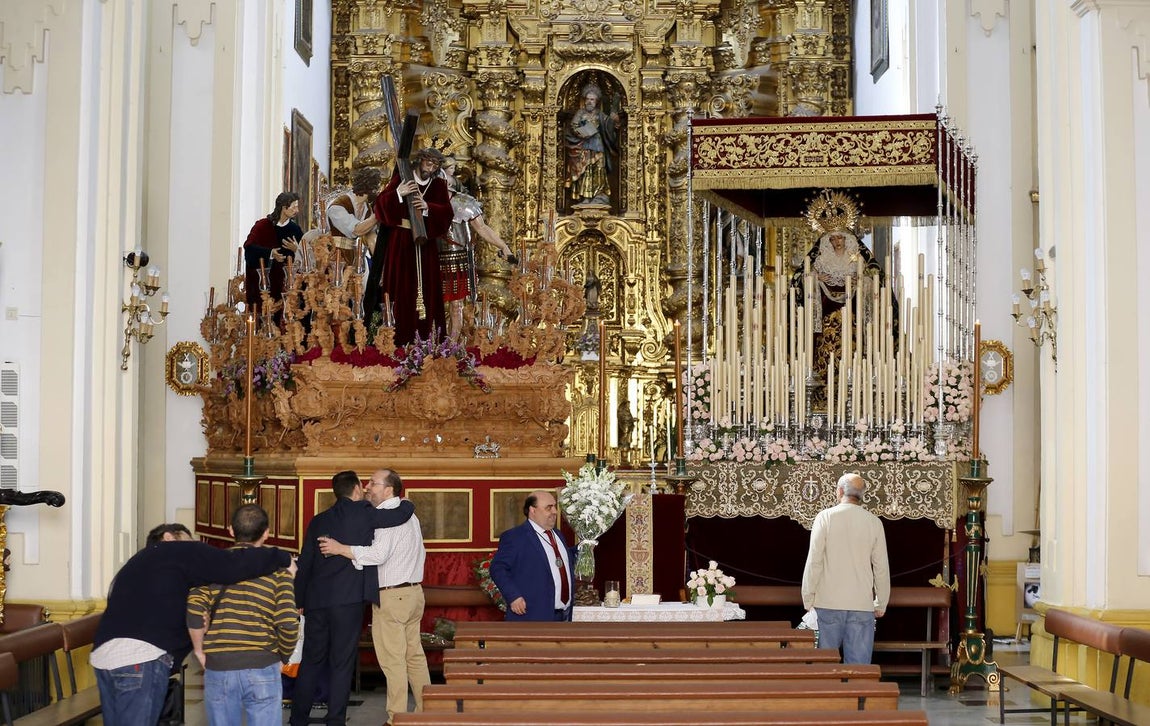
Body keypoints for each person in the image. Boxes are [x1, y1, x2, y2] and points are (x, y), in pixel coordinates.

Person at [91, 522, 292, 725]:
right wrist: (283, 558)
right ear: (169, 537)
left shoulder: (140, 562)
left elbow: (160, 608)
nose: (195, 546)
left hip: (104, 657)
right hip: (140, 658)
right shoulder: (175, 551)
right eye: (190, 539)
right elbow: (230, 565)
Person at [288, 470, 417, 726]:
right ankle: (335, 720)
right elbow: (399, 515)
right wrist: (408, 501)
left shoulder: (318, 520)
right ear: (357, 488)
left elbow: (305, 564)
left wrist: (299, 601)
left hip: (317, 602)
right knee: (341, 662)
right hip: (347, 602)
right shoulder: (364, 512)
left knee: (311, 661)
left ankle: (297, 719)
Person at [319, 469, 430, 723]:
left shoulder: (385, 517)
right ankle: (427, 712)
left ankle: (397, 719)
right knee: (414, 657)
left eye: (373, 483)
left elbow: (378, 555)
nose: (367, 487)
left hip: (393, 597)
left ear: (389, 489)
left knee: (394, 662)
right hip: (413, 594)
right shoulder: (408, 513)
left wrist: (340, 549)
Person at [187, 505, 299, 726]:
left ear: (230, 530)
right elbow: (287, 623)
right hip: (263, 665)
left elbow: (194, 612)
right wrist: (283, 658)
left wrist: (199, 651)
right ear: (267, 533)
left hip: (219, 665)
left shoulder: (209, 565)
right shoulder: (279, 571)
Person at [801, 473, 891, 664]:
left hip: (828, 603)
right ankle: (857, 695)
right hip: (861, 605)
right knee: (858, 671)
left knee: (824, 669)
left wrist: (808, 597)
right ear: (862, 495)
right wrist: (881, 602)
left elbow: (814, 561)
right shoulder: (874, 522)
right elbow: (881, 567)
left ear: (839, 491)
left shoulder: (825, 517)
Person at [367, 148, 454, 347]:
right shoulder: (402, 179)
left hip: (425, 244)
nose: (430, 168)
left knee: (427, 289)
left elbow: (447, 213)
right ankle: (397, 338)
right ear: (420, 160)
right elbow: (380, 206)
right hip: (400, 242)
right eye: (428, 163)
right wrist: (398, 193)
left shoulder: (439, 185)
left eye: (435, 165)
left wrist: (428, 207)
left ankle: (428, 340)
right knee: (400, 286)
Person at [438, 156, 517, 337]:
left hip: (456, 259)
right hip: (430, 259)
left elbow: (482, 228)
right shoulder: (425, 203)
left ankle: (450, 345)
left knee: (456, 304)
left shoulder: (463, 203)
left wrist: (503, 246)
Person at [489, 490, 574, 622]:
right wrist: (513, 596)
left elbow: (562, 562)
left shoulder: (558, 535)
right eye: (548, 508)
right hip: (532, 615)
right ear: (532, 510)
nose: (555, 512)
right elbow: (497, 568)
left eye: (555, 507)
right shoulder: (515, 537)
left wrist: (584, 548)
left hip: (563, 616)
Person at [244, 191, 303, 312]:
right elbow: (249, 247)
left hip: (287, 288)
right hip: (264, 286)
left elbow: (305, 260)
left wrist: (297, 250)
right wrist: (271, 253)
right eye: (294, 207)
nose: (297, 210)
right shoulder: (262, 226)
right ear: (284, 207)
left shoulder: (295, 230)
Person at [565, 83, 618, 207]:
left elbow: (608, 126)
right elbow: (573, 126)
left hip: (598, 146)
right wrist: (581, 133)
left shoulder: (600, 114)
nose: (589, 102)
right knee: (585, 170)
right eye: (588, 99)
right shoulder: (580, 113)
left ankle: (599, 195)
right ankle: (585, 197)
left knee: (599, 169)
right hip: (583, 146)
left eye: (592, 99)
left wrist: (614, 121)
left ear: (596, 101)